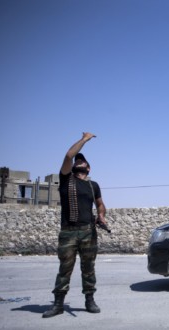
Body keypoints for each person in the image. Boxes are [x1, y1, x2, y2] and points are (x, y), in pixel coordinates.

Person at [42, 132, 107, 318]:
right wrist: (85, 139)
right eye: (77, 161)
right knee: (65, 269)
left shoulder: (93, 185)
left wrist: (101, 216)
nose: (79, 161)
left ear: (89, 167)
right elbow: (69, 155)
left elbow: (100, 204)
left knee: (88, 269)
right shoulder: (66, 178)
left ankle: (90, 300)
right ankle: (58, 304)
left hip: (88, 232)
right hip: (68, 232)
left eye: (82, 160)